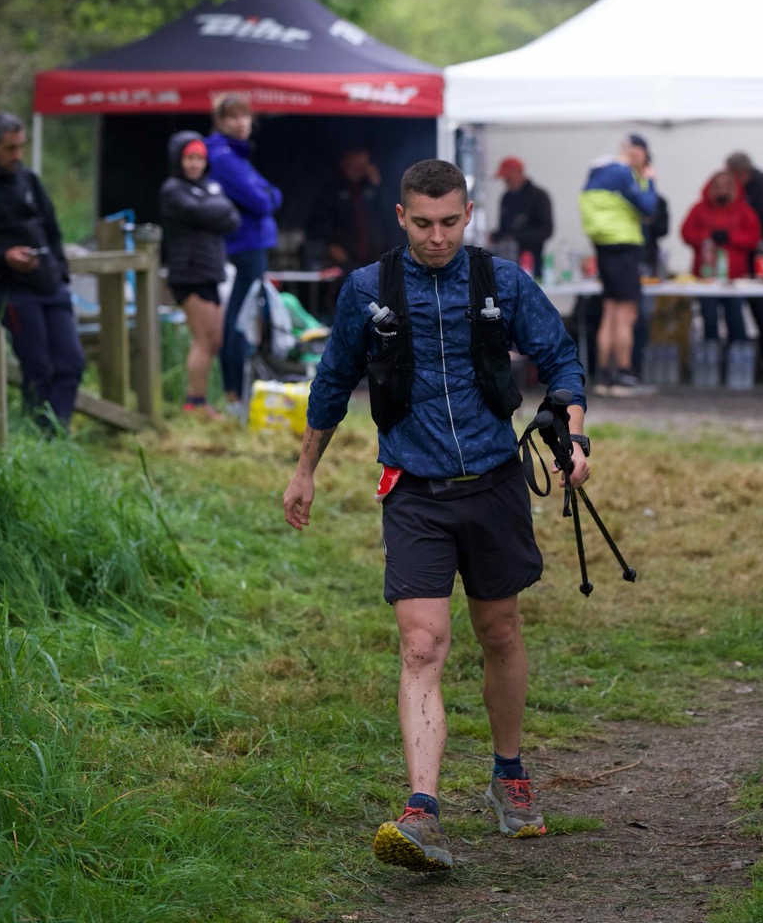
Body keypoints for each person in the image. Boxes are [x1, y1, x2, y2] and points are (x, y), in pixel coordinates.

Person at [282, 159, 589, 872]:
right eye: (422, 223)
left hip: (494, 481)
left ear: (469, 213)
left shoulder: (502, 281)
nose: (437, 237)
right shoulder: (366, 290)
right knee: (421, 645)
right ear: (401, 217)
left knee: (499, 630)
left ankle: (508, 773)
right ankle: (421, 811)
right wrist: (304, 470)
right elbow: (332, 382)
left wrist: (573, 436)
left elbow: (560, 359)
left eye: (450, 222)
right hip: (413, 489)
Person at [0, 111, 85, 432]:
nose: (17, 154)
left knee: (71, 363)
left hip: (50, 284)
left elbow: (52, 229)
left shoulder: (29, 180)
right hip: (14, 290)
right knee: (38, 368)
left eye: (21, 146)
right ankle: (38, 435)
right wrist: (4, 256)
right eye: (9, 148)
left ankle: (56, 432)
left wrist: (60, 273)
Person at [205, 95, 282, 411]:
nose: (241, 123)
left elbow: (274, 193)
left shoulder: (237, 155)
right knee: (238, 319)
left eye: (245, 116)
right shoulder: (222, 157)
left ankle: (238, 394)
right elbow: (263, 201)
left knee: (245, 318)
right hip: (242, 246)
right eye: (233, 117)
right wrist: (266, 196)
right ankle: (233, 395)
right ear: (220, 122)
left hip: (252, 245)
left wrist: (267, 196)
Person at [159, 132, 241, 418]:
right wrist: (216, 207)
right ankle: (194, 403)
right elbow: (204, 212)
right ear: (178, 160)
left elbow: (232, 218)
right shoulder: (172, 190)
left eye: (199, 158)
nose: (195, 164)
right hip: (189, 274)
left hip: (211, 272)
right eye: (189, 158)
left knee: (215, 340)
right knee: (203, 340)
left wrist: (213, 209)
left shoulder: (208, 187)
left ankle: (201, 401)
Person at [578, 134, 658, 395]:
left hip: (603, 245)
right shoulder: (623, 173)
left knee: (610, 311)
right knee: (626, 313)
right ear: (637, 152)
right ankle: (624, 373)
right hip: (624, 246)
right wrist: (650, 180)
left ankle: (604, 375)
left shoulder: (598, 170)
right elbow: (649, 207)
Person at [680, 170, 762, 345]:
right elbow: (687, 233)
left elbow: (753, 238)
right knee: (709, 319)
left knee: (735, 319)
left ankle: (737, 354)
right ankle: (710, 354)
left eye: (726, 186)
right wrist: (707, 235)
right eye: (718, 186)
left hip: (734, 278)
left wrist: (730, 237)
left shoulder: (743, 211)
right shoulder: (699, 209)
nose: (722, 190)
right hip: (706, 276)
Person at [725, 151, 763, 374]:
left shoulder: (759, 191)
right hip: (759, 255)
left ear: (740, 172)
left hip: (761, 257)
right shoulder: (756, 188)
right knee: (761, 309)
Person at [306, 147, 393, 273]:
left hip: (374, 258)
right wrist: (330, 247)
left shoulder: (372, 190)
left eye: (362, 167)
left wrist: (377, 185)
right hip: (345, 260)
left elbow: (390, 215)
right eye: (355, 167)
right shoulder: (332, 190)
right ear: (345, 162)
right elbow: (317, 225)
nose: (359, 171)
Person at [490, 157, 554, 276]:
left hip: (533, 263)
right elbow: (503, 229)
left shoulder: (539, 196)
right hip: (507, 263)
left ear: (519, 173)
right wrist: (495, 236)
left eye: (508, 178)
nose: (506, 183)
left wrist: (516, 237)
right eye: (504, 180)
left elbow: (546, 230)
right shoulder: (506, 198)